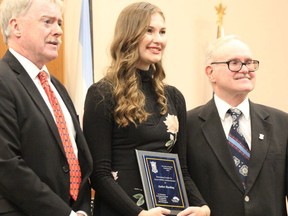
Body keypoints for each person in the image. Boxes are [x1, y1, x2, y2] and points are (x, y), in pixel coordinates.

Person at [83, 2, 210, 216]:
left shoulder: (174, 97)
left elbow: (182, 170)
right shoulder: (102, 93)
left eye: (162, 32)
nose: (158, 40)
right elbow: (99, 174)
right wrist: (138, 214)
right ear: (130, 35)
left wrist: (203, 207)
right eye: (149, 31)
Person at [0, 0, 93, 215]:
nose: (59, 31)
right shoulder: (3, 80)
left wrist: (78, 209)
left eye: (59, 23)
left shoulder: (56, 87)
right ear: (16, 27)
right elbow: (6, 164)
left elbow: (77, 158)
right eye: (48, 22)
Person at [186, 35, 288, 216]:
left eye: (249, 63)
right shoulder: (188, 126)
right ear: (210, 72)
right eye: (234, 63)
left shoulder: (282, 123)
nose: (245, 69)